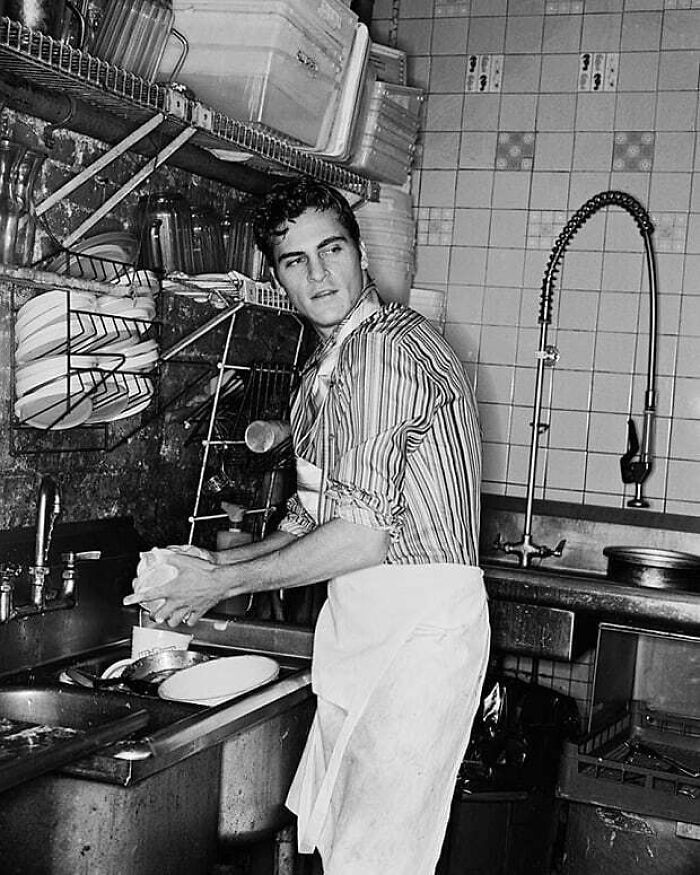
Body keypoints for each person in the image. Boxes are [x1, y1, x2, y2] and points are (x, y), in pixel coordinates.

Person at [124, 177, 490, 874]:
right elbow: (310, 516)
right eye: (296, 260)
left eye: (332, 249)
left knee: (377, 860)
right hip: (366, 623)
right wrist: (207, 562)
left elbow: (361, 534)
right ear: (278, 276)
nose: (319, 273)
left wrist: (223, 580)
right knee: (346, 847)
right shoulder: (328, 366)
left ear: (359, 252)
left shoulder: (385, 350)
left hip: (416, 631)